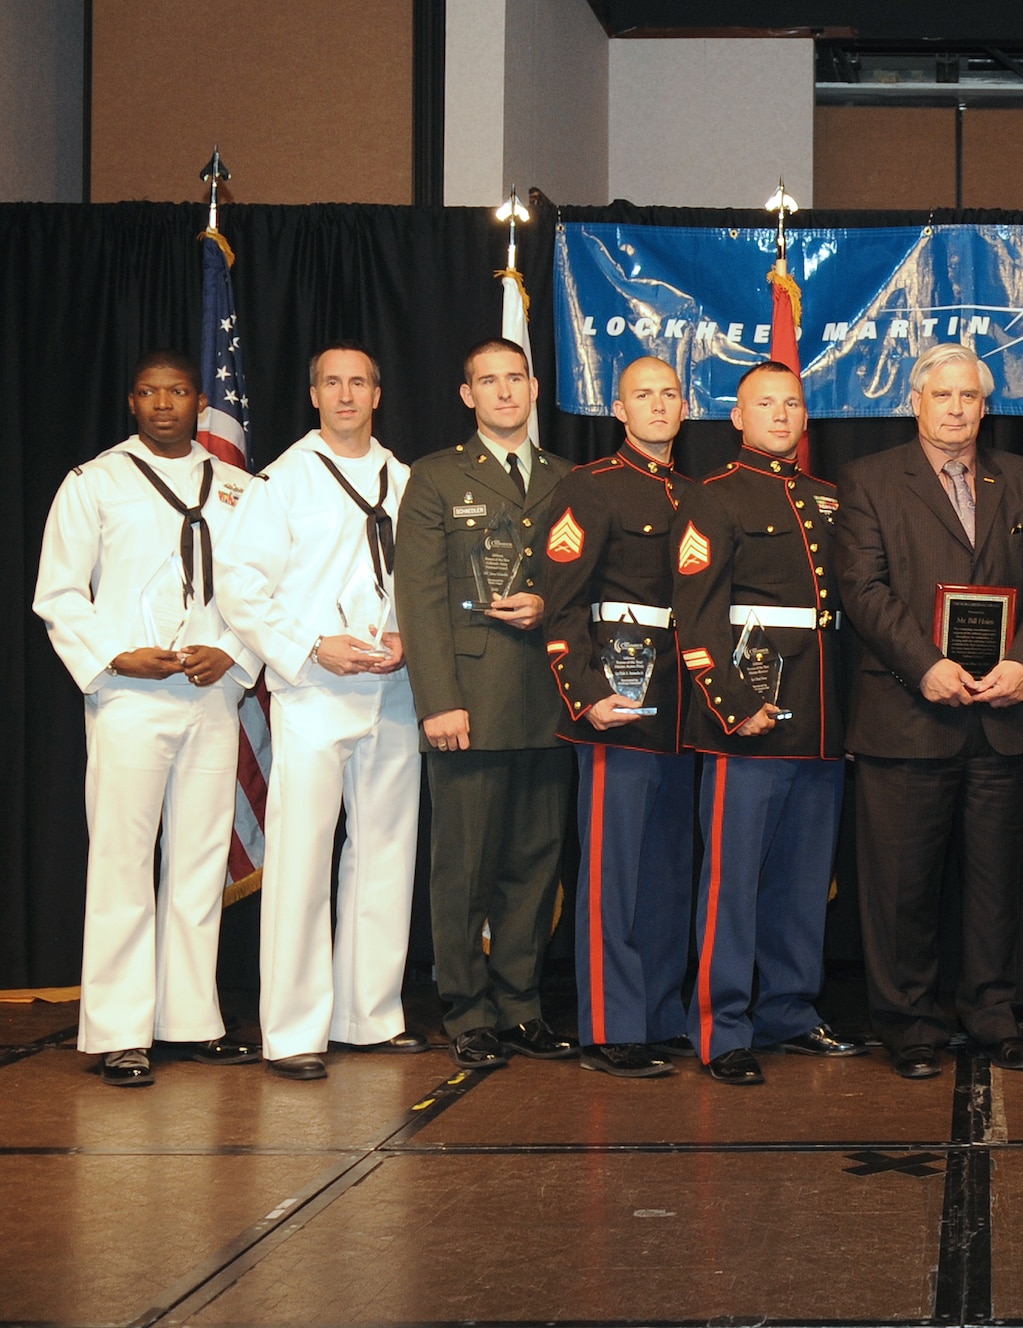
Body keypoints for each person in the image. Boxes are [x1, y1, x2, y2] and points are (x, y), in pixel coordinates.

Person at [833, 342, 1023, 1080]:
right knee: (901, 886)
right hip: (907, 713)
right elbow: (863, 589)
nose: (958, 408)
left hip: (1001, 716)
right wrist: (925, 665)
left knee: (998, 882)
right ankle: (910, 1026)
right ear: (916, 401)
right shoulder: (869, 481)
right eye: (944, 396)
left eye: (970, 397)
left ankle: (996, 1016)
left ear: (986, 407)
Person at [34, 350, 263, 1086]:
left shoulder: (240, 488)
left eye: (177, 391)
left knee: (198, 861)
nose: (163, 404)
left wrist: (230, 652)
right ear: (131, 401)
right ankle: (120, 1029)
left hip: (208, 695)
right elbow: (60, 593)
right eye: (147, 392)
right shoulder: (93, 483)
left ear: (200, 401)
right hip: (129, 696)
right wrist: (113, 655)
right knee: (124, 862)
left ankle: (190, 1020)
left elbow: (263, 594)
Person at [215, 342, 423, 1080]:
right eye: (331, 383)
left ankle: (370, 1014)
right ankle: (295, 1030)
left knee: (386, 853)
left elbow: (425, 583)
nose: (345, 395)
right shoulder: (282, 481)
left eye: (358, 382)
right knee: (301, 860)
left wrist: (412, 636)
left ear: (377, 393)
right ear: (313, 395)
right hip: (314, 690)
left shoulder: (407, 480)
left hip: (395, 690)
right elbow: (240, 588)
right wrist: (308, 646)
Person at [674, 361, 863, 1085]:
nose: (781, 416)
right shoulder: (712, 498)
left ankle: (789, 1008)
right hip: (746, 717)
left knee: (803, 878)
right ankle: (723, 1029)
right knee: (732, 882)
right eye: (765, 404)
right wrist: (730, 704)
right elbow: (696, 618)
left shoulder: (828, 499)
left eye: (792, 404)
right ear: (737, 418)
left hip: (819, 717)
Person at [394, 338, 578, 1073]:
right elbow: (421, 594)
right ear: (467, 395)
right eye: (487, 382)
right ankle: (467, 1010)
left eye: (515, 379)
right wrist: (439, 700)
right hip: (469, 702)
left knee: (534, 866)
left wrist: (550, 603)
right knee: (464, 869)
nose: (504, 393)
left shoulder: (568, 478)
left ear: (534, 387)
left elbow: (583, 583)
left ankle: (522, 1005)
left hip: (548, 701)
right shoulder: (436, 477)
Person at [537, 356, 700, 1079]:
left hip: (684, 712)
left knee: (668, 872)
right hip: (615, 703)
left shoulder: (699, 494)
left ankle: (660, 1015)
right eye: (644, 395)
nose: (659, 406)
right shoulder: (590, 488)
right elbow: (561, 604)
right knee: (615, 874)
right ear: (619, 408)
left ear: (685, 407)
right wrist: (583, 693)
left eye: (669, 394)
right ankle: (609, 1024)